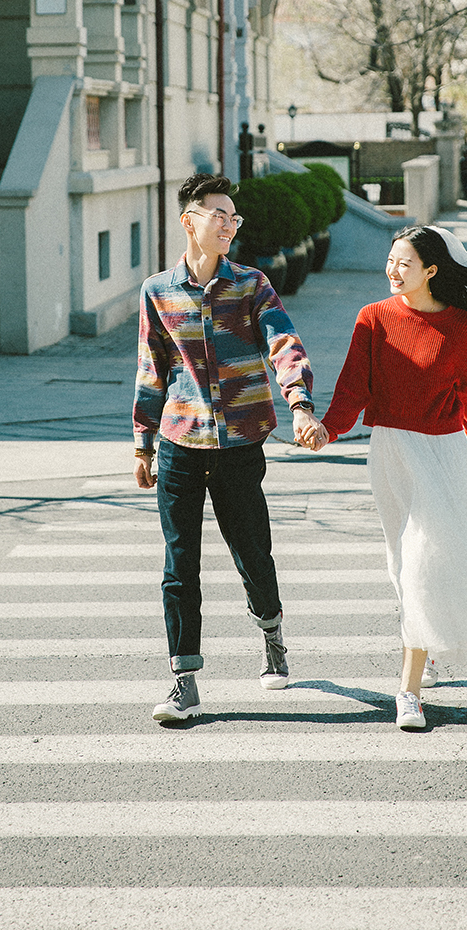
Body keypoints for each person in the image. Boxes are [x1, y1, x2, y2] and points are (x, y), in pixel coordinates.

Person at [304, 225, 467, 730]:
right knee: (400, 561)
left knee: (422, 565)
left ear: (431, 270)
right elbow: (352, 387)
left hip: (445, 453)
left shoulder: (459, 325)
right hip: (391, 452)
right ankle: (422, 643)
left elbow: (466, 387)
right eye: (390, 260)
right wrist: (327, 429)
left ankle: (407, 694)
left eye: (404, 262)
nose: (392, 270)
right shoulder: (373, 319)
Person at [133, 172, 324, 724]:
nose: (229, 225)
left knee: (252, 553)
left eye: (233, 217)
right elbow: (152, 368)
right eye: (219, 215)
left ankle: (272, 635)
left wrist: (300, 403)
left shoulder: (252, 284)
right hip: (180, 442)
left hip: (240, 440)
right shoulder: (157, 291)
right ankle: (183, 681)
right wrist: (143, 444)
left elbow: (283, 342)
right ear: (188, 220)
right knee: (179, 563)